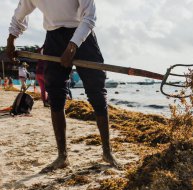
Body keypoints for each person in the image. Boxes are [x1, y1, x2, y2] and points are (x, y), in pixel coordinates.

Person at [6, 0, 120, 171]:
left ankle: (107, 152)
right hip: (54, 39)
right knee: (56, 95)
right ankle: (62, 156)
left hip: (83, 34)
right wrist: (11, 38)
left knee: (96, 93)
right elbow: (20, 12)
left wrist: (73, 45)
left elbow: (89, 16)